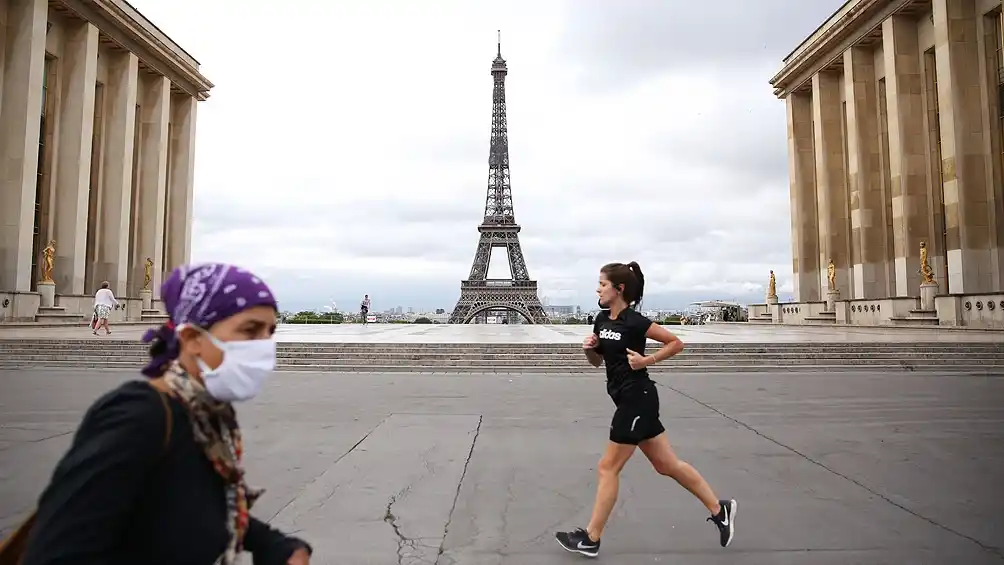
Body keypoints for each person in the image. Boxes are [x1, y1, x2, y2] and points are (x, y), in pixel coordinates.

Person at [20, 262, 312, 565]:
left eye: (270, 332)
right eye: (250, 330)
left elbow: (191, 505)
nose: (264, 346)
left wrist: (274, 545)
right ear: (193, 338)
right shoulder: (137, 416)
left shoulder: (206, 413)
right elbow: (58, 550)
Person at [555, 261, 736, 558]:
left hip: (637, 399)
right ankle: (720, 510)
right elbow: (598, 363)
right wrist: (589, 350)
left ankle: (591, 537)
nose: (598, 289)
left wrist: (646, 361)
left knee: (607, 467)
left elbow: (675, 343)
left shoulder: (635, 322)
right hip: (627, 398)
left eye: (602, 284)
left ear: (619, 289)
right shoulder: (601, 320)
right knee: (667, 465)